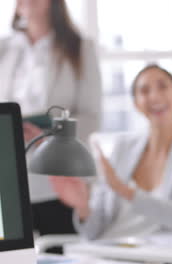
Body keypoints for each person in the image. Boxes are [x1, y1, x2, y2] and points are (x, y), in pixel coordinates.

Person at [50, 64, 172, 240]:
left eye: (162, 86)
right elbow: (93, 231)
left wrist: (124, 190)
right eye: (144, 91)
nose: (154, 96)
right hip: (109, 250)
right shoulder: (122, 147)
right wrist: (82, 205)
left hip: (157, 255)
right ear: (136, 103)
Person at [0, 0, 102, 236]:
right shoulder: (4, 49)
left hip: (57, 179)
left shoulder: (79, 48)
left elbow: (91, 117)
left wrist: (51, 136)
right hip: (9, 179)